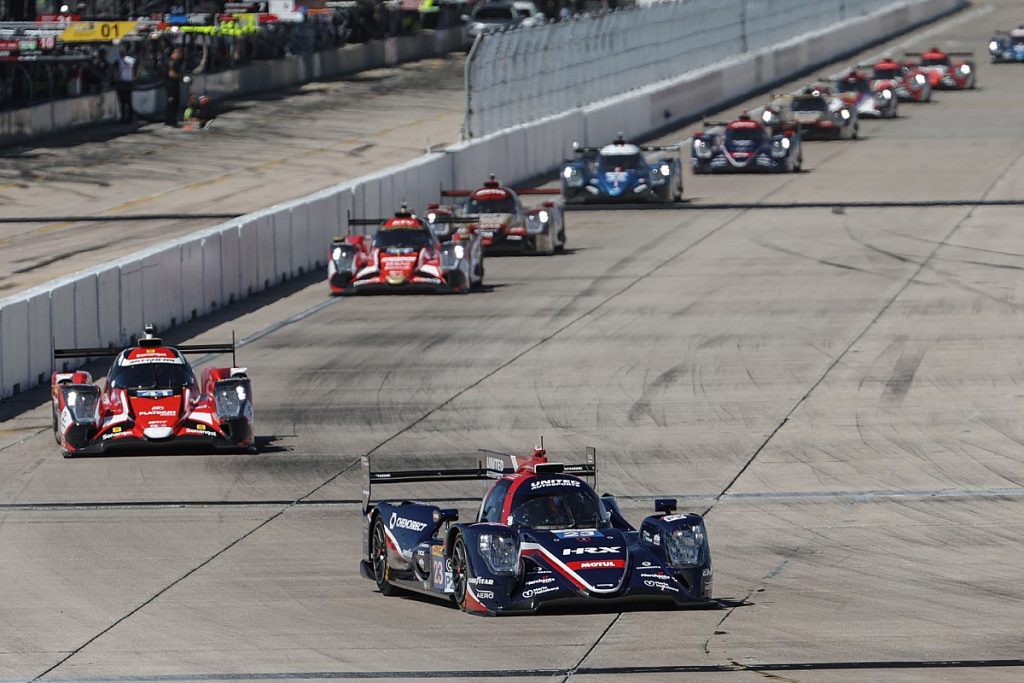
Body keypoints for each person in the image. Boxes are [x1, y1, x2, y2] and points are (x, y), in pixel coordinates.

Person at [112, 42, 137, 124]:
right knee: (128, 101)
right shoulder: (132, 60)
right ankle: (129, 118)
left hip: (122, 82)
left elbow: (115, 72)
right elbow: (138, 69)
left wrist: (116, 80)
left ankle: (123, 118)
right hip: (129, 82)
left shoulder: (118, 61)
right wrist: (134, 78)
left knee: (123, 102)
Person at [165, 46, 184, 127]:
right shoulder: (171, 62)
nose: (180, 56)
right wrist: (181, 77)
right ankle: (170, 121)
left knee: (176, 103)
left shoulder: (177, 62)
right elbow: (171, 74)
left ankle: (173, 120)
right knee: (172, 103)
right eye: (179, 54)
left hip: (175, 85)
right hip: (171, 86)